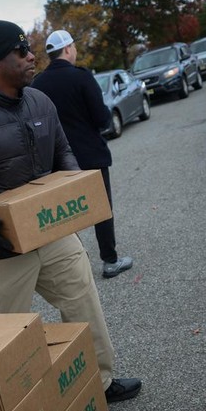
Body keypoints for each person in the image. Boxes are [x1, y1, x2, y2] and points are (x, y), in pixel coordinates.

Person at [0, 18, 141, 403]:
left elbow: (62, 151)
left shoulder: (41, 100)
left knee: (82, 298)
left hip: (50, 231)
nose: (30, 56)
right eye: (20, 51)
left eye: (29, 48)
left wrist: (71, 187)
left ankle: (100, 381)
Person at [30, 30, 133, 279]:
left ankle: (72, 267)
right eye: (73, 47)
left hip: (57, 163)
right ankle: (110, 261)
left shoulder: (37, 85)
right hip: (90, 157)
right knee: (101, 209)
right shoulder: (82, 77)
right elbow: (101, 118)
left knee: (65, 216)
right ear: (68, 49)